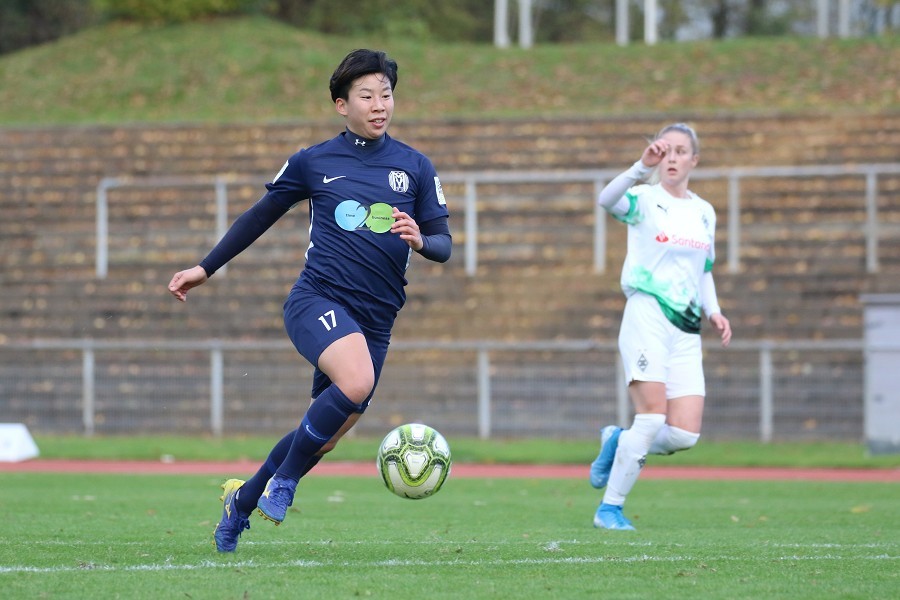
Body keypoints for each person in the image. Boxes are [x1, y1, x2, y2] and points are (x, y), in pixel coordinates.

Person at [167, 49, 452, 552]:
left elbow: (444, 245)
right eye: (366, 96)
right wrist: (205, 267)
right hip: (317, 299)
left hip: (377, 321)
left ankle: (241, 504)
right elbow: (259, 216)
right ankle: (286, 483)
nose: (379, 104)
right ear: (342, 104)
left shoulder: (416, 167)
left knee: (323, 436)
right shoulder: (313, 161)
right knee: (357, 381)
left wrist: (420, 240)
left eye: (386, 94)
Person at [589, 123, 731, 531]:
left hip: (687, 329)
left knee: (685, 434)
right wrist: (639, 167)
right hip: (648, 314)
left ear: (693, 160)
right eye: (665, 150)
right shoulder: (644, 198)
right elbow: (605, 199)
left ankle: (617, 440)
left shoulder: (705, 212)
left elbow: (703, 270)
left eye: (680, 151)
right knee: (651, 419)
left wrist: (715, 311)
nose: (671, 158)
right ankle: (609, 509)